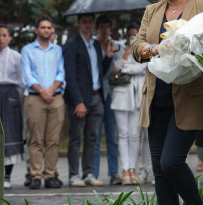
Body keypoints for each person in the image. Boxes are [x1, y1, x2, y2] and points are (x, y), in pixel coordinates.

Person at [131, 0, 203, 205]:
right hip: (156, 99)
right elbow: (137, 45)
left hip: (189, 100)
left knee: (171, 163)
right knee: (159, 171)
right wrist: (153, 49)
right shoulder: (152, 10)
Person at [63, 13, 113, 187]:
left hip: (97, 97)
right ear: (78, 23)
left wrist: (108, 56)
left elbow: (100, 70)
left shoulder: (96, 44)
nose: (87, 25)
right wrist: (78, 101)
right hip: (80, 100)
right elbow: (70, 76)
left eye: (90, 22)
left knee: (92, 137)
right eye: (84, 22)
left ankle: (89, 173)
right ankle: (73, 174)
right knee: (76, 138)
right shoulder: (71, 44)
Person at [20, 17, 65, 189]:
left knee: (53, 140)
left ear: (52, 30)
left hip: (55, 98)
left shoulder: (57, 50)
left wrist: (51, 90)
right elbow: (27, 75)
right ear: (36, 30)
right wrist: (42, 91)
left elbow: (61, 72)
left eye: (49, 27)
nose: (46, 30)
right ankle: (36, 175)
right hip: (35, 98)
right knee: (35, 139)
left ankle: (50, 175)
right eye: (43, 27)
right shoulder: (27, 50)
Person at [110, 23, 147, 185]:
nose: (133, 38)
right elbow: (116, 68)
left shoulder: (145, 51)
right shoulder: (119, 50)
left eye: (136, 35)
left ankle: (133, 168)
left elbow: (142, 67)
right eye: (131, 36)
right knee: (123, 134)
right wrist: (126, 54)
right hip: (121, 97)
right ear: (126, 37)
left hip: (138, 97)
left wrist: (126, 67)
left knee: (134, 135)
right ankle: (125, 169)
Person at [0, 25, 25, 190]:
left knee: (10, 133)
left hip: (11, 93)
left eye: (4, 35)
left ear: (10, 38)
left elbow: (21, 80)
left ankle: (7, 176)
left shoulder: (16, 57)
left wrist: (16, 97)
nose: (1, 38)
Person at [93, 15, 122, 185]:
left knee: (112, 136)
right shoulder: (94, 46)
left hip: (112, 95)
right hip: (97, 95)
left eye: (107, 27)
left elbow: (122, 67)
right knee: (95, 137)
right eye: (102, 27)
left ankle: (114, 172)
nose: (105, 30)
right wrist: (108, 56)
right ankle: (94, 172)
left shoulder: (116, 46)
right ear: (97, 29)